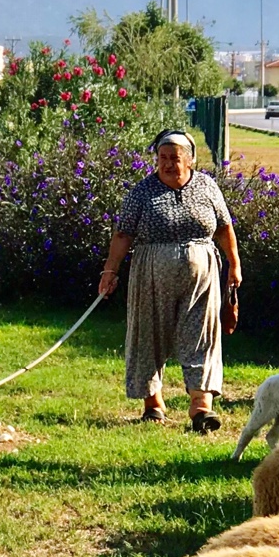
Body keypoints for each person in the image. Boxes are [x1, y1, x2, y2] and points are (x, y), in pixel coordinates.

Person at [97, 130, 242, 433]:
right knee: (148, 333)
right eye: (162, 158)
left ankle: (201, 407)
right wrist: (110, 271)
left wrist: (234, 266)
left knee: (202, 335)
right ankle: (153, 405)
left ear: (190, 160)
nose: (167, 164)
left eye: (174, 158)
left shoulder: (206, 186)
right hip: (150, 272)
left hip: (202, 275)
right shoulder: (142, 192)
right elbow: (123, 234)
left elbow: (224, 228)